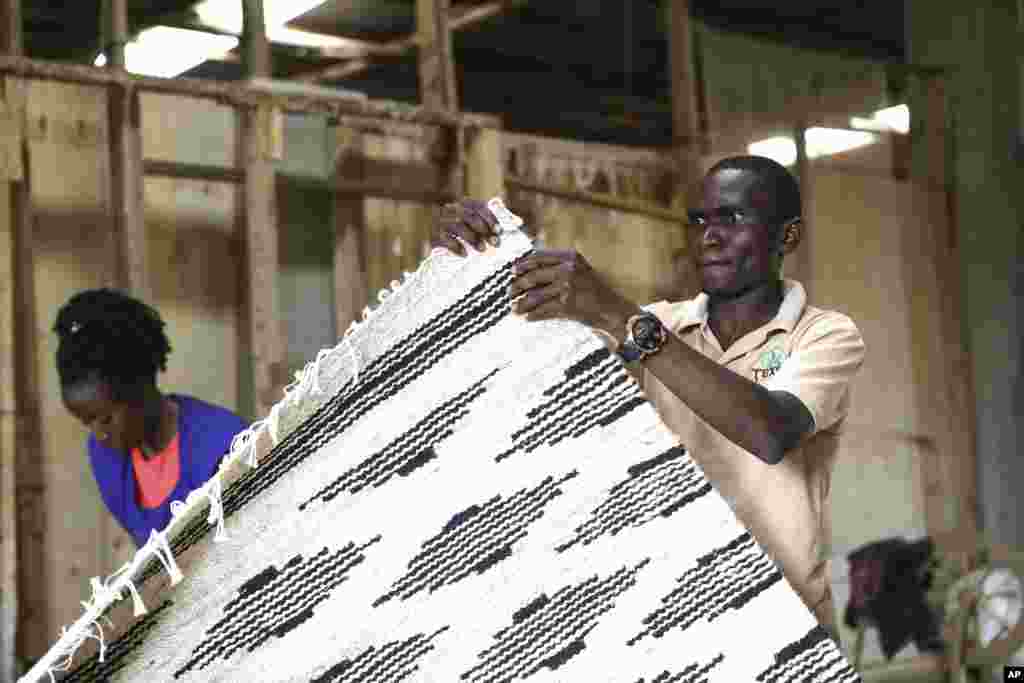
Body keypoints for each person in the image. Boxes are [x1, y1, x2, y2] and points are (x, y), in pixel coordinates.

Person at [433, 155, 866, 641]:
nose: (710, 236)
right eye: (700, 220)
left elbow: (769, 432)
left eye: (732, 218)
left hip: (785, 638)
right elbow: (525, 382)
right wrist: (471, 262)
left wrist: (621, 317)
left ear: (786, 236)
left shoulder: (823, 335)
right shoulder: (659, 325)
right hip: (677, 632)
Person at [53, 288, 249, 549]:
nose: (98, 433)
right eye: (86, 422)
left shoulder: (225, 445)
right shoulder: (106, 456)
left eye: (106, 419)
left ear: (140, 387)